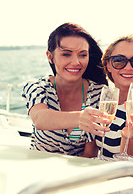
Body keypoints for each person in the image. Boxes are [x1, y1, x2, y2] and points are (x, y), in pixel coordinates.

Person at [22, 22, 108, 157]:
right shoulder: (37, 87)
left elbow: (90, 152)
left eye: (82, 55)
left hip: (77, 173)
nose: (76, 62)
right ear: (50, 57)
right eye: (66, 54)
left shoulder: (98, 92)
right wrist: (81, 117)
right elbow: (40, 119)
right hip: (38, 169)